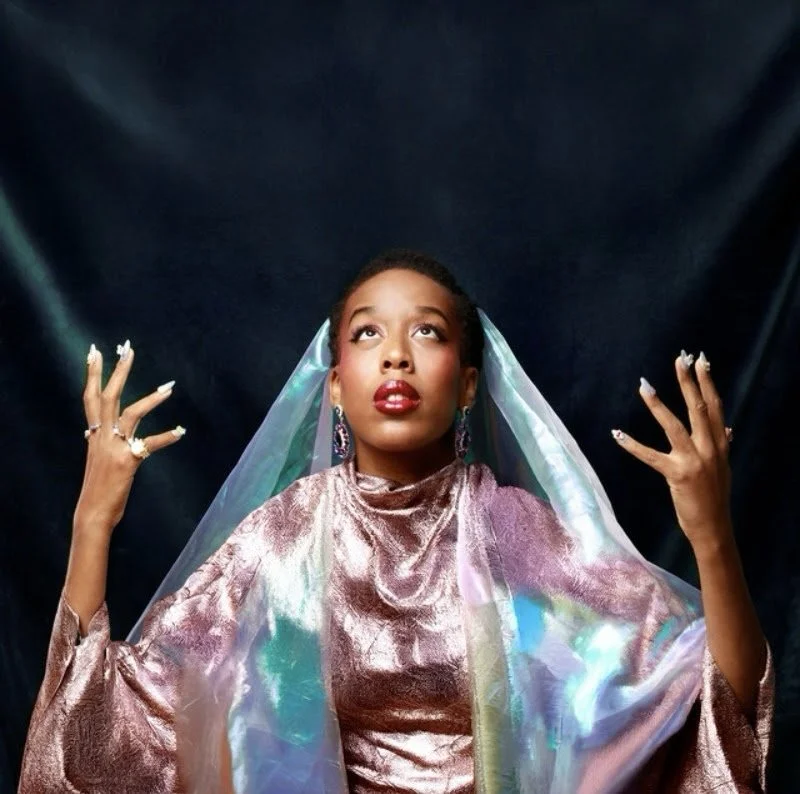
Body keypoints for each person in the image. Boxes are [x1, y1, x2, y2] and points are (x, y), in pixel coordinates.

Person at [18, 250, 773, 793]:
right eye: (368, 334)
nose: (397, 359)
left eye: (429, 333)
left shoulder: (520, 539)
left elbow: (716, 708)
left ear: (468, 385)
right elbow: (100, 729)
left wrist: (711, 534)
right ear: (334, 386)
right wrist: (93, 522)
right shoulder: (283, 542)